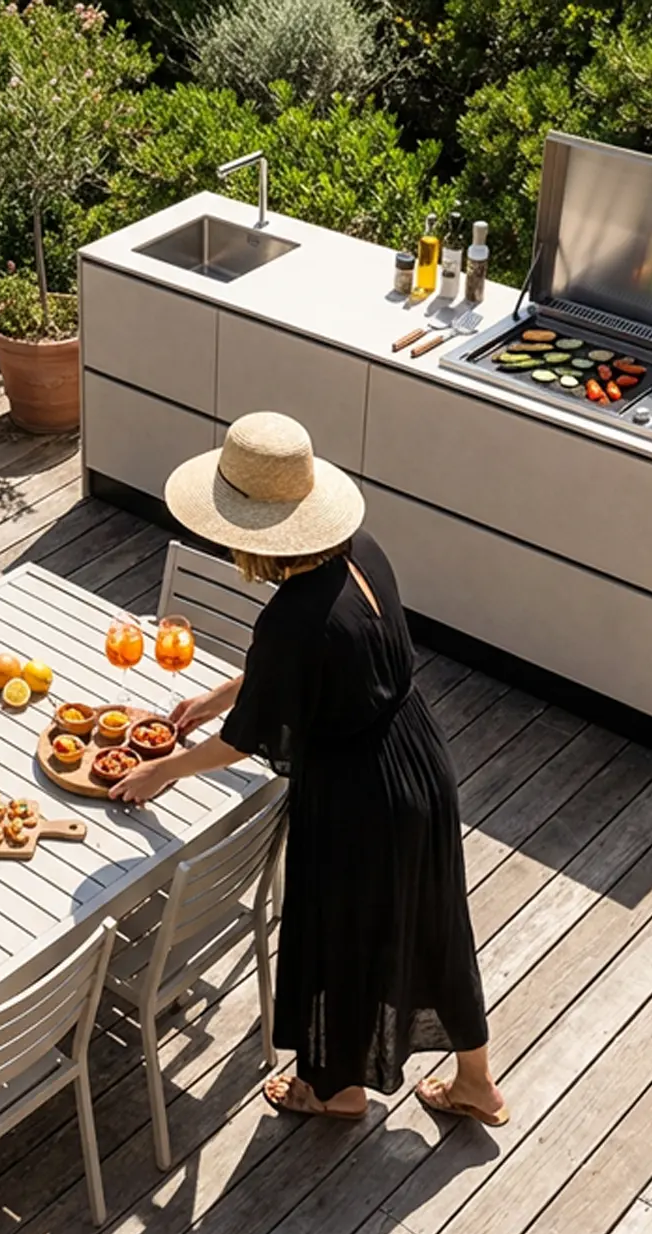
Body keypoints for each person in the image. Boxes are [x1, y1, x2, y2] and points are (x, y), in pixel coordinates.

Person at [110, 411, 507, 1127]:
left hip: (359, 795)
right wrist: (216, 695)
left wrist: (159, 773)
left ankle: (332, 1090)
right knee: (437, 921)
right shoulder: (362, 551)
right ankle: (478, 1081)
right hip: (419, 762)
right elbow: (313, 669)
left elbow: (243, 741)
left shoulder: (294, 617)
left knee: (336, 941)